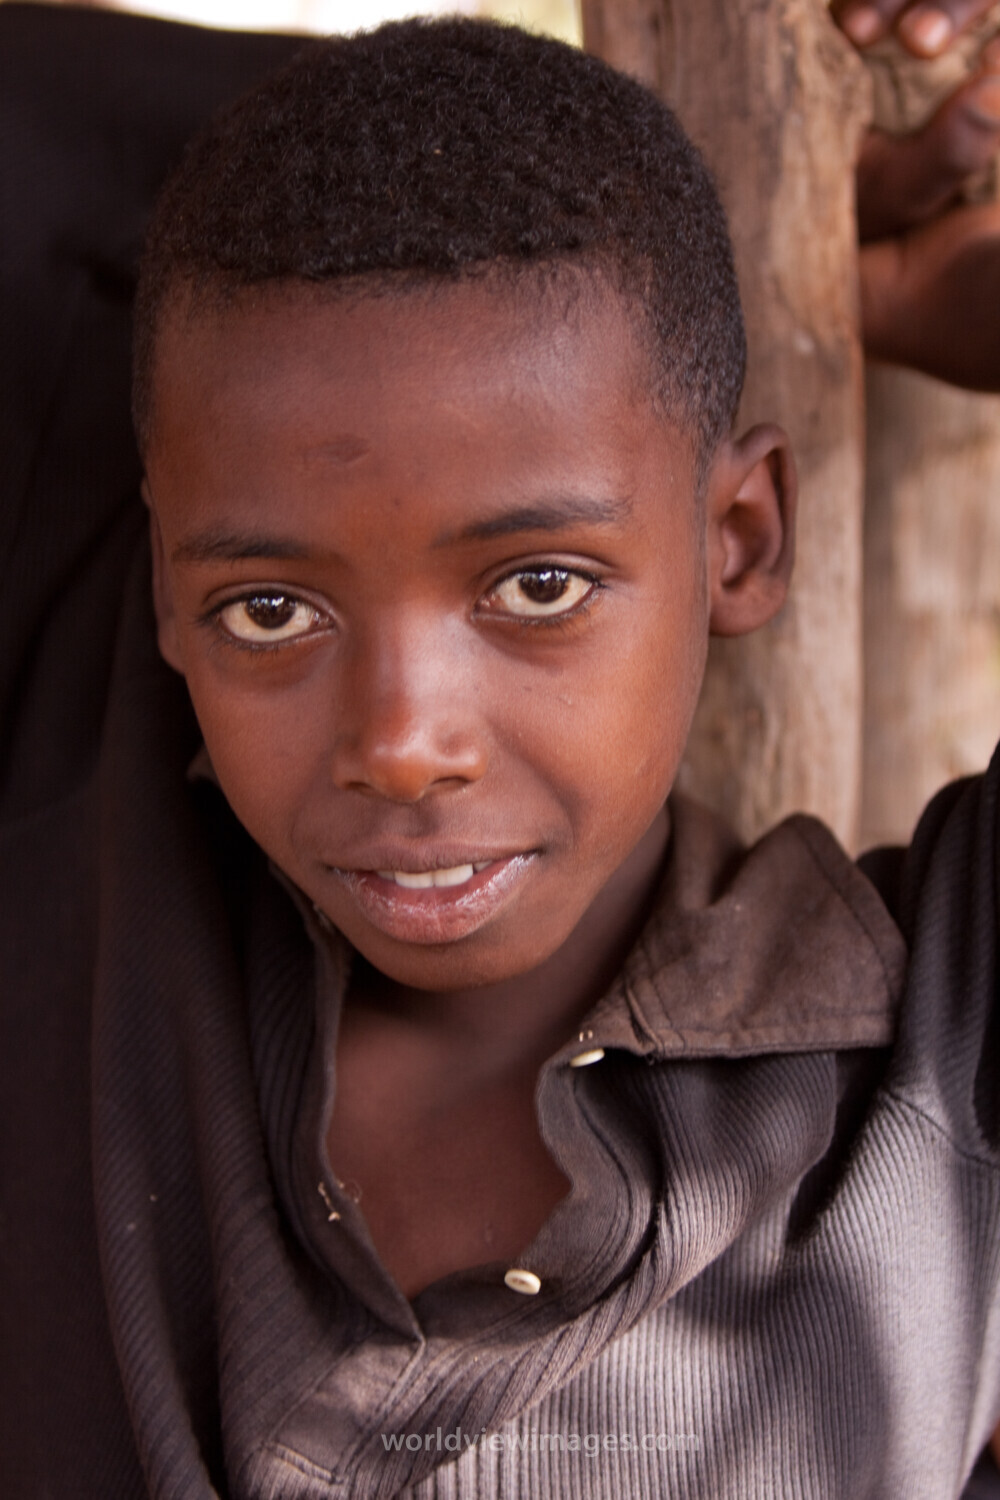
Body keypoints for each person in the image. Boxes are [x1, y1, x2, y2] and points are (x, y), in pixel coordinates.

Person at [1, 2, 999, 1496]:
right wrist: (685, 188)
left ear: (739, 539)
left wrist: (690, 219)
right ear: (163, 591)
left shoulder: (941, 1060)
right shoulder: (72, 813)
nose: (401, 744)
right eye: (270, 609)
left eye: (539, 584)